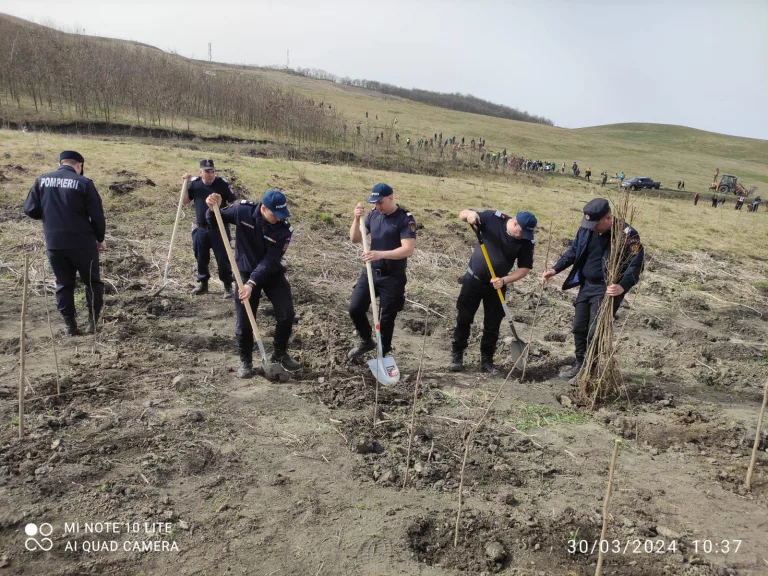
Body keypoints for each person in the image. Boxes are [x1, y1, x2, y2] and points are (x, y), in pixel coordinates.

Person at [542, 199, 644, 385]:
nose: (591, 228)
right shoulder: (587, 228)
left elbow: (636, 265)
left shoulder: (627, 235)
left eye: (595, 224)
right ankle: (580, 363)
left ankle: (589, 370)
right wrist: (555, 269)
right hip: (587, 285)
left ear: (608, 218)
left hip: (607, 289)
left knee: (594, 331)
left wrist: (622, 285)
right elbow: (574, 250)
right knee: (579, 327)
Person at [204, 190, 300, 378]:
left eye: (282, 216)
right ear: (264, 208)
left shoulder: (284, 230)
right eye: (275, 215)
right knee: (245, 320)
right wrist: (211, 207)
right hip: (244, 271)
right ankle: (246, 361)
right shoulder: (242, 210)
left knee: (287, 314)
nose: (279, 219)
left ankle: (279, 354)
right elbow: (215, 220)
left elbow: (270, 260)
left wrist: (252, 283)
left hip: (271, 272)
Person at [24, 150, 106, 336]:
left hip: (55, 242)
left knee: (63, 283)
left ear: (60, 162)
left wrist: (49, 217)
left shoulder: (42, 180)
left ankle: (70, 325)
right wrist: (100, 238)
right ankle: (92, 324)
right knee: (92, 282)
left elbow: (29, 209)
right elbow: (97, 215)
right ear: (79, 165)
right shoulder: (84, 183)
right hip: (82, 242)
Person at [449, 209, 536, 373]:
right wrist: (470, 216)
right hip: (472, 281)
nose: (522, 236)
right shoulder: (492, 219)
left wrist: (504, 280)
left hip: (497, 286)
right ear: (515, 223)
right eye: (522, 232)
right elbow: (463, 213)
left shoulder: (526, 241)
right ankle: (457, 355)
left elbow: (524, 269)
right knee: (464, 318)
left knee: (492, 324)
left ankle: (487, 361)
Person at [348, 184, 416, 359]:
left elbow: (408, 249)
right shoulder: (373, 214)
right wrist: (356, 219)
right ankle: (366, 341)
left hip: (393, 276)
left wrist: (380, 254)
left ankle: (383, 354)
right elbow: (355, 238)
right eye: (375, 203)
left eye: (380, 202)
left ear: (391, 198)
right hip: (371, 272)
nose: (378, 206)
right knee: (355, 308)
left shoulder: (404, 218)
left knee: (386, 319)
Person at [183, 159, 236, 296]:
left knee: (223, 257)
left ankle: (227, 286)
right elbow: (185, 201)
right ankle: (203, 284)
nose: (211, 174)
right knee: (200, 256)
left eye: (212, 171)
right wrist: (185, 184)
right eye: (207, 171)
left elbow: (233, 201)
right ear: (201, 172)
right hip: (201, 228)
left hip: (219, 228)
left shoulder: (222, 184)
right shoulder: (195, 184)